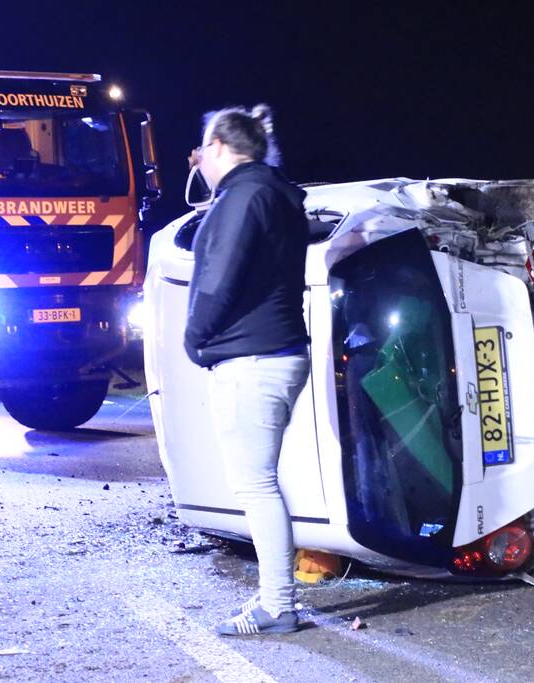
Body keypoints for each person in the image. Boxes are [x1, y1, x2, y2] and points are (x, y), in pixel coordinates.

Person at [183, 105, 310, 636]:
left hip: (251, 360)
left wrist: (194, 337)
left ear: (216, 146)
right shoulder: (276, 192)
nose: (197, 159)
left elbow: (220, 275)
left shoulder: (243, 196)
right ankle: (278, 600)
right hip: (277, 351)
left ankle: (278, 605)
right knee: (261, 483)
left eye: (201, 150)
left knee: (256, 487)